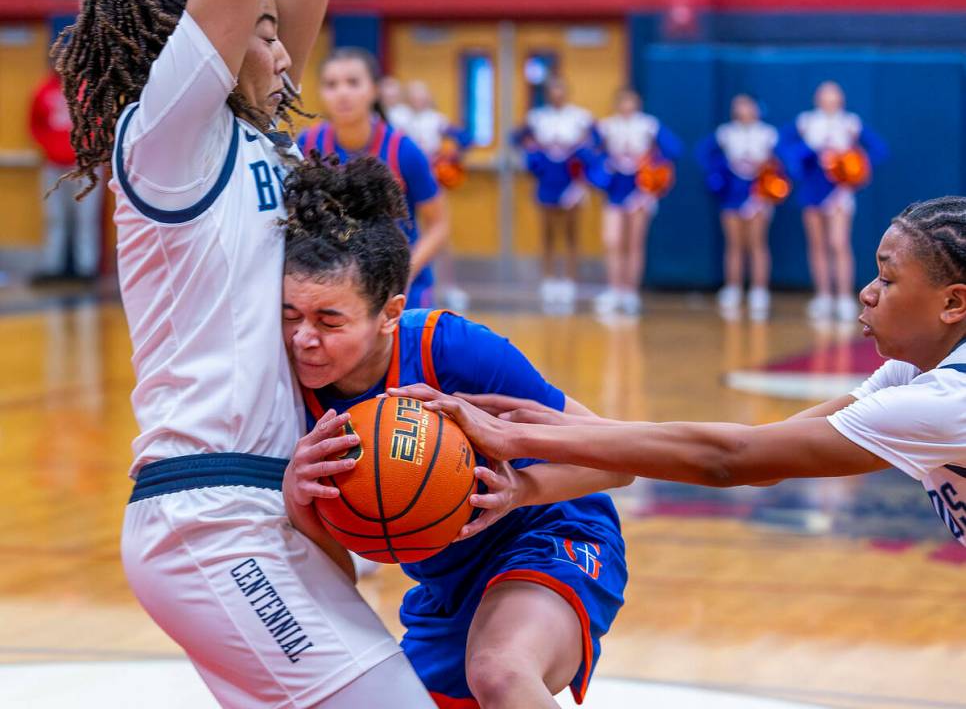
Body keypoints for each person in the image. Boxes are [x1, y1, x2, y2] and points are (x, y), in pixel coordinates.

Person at [52, 0, 437, 706]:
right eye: (262, 30)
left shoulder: (258, 131)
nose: (286, 49)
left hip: (278, 507)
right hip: (212, 517)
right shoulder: (168, 141)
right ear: (205, 49)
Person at [392, 197, 966, 548]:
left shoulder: (947, 398)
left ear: (953, 303)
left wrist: (516, 438)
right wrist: (568, 431)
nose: (867, 293)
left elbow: (732, 462)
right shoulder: (912, 374)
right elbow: (766, 455)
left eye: (887, 281)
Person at [280, 152, 629, 708]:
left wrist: (522, 490)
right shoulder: (283, 389)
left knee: (502, 673)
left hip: (550, 535)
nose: (303, 338)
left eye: (329, 320)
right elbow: (338, 580)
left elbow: (618, 459)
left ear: (390, 314)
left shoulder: (451, 350)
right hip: (447, 584)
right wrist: (298, 498)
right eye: (290, 315)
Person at [298, 49, 449, 309]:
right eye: (331, 84)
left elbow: (438, 225)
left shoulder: (404, 150)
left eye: (353, 82)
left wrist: (405, 272)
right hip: (330, 283)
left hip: (398, 288)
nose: (342, 92)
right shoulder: (307, 144)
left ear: (374, 90)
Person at [781, 81, 887, 323]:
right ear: (817, 99)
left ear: (841, 99)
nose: (829, 101)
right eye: (825, 97)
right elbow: (784, 149)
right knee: (817, 244)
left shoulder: (849, 123)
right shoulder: (806, 122)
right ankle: (823, 296)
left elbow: (879, 149)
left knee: (838, 243)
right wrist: (807, 150)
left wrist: (857, 167)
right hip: (812, 190)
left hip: (839, 191)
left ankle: (843, 296)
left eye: (834, 97)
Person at [591, 87, 682, 317]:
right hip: (615, 189)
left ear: (638, 103)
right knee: (612, 241)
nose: (627, 105)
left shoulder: (648, 125)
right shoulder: (607, 126)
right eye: (623, 101)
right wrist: (605, 166)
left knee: (634, 241)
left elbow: (675, 149)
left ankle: (631, 293)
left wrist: (653, 164)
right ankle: (615, 290)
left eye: (631, 101)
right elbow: (589, 152)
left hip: (640, 189)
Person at [697, 94, 784, 321]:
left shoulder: (767, 134)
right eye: (739, 106)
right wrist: (720, 172)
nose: (743, 110)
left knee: (757, 242)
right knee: (734, 243)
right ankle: (733, 287)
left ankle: (759, 290)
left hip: (758, 194)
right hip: (732, 194)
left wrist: (767, 174)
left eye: (748, 105)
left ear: (756, 108)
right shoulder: (726, 133)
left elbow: (783, 162)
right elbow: (702, 153)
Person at [513, 77, 594, 314]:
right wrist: (533, 149)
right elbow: (516, 137)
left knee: (571, 231)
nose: (557, 94)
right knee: (548, 231)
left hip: (571, 180)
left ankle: (570, 280)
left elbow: (598, 140)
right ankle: (548, 279)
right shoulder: (538, 118)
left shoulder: (580, 117)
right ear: (548, 93)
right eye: (553, 90)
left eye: (561, 90)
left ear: (567, 92)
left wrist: (582, 149)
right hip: (548, 179)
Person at [405, 79, 473, 312]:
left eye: (422, 94)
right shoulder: (402, 120)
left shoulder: (436, 120)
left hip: (431, 182)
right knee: (413, 233)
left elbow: (464, 138)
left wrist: (449, 159)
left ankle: (449, 286)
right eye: (414, 94)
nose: (418, 99)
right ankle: (415, 283)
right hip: (406, 185)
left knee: (439, 234)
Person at [28, 69, 101, 282]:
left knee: (86, 217)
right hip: (53, 164)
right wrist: (48, 147)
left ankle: (86, 267)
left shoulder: (89, 87)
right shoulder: (43, 90)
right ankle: (53, 266)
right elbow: (35, 124)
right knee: (54, 217)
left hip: (85, 164)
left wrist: (91, 149)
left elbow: (100, 121)